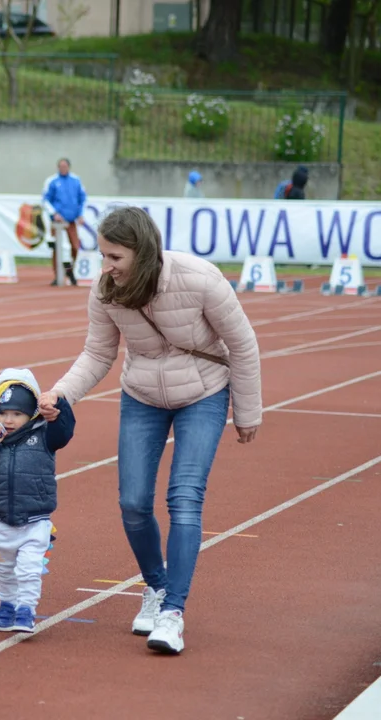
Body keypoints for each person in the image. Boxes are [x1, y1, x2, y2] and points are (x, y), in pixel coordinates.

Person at [37, 206, 261, 655]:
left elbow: (242, 343)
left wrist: (247, 413)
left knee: (184, 496)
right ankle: (156, 588)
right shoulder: (105, 291)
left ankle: (174, 612)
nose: (106, 267)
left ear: (143, 252)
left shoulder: (199, 278)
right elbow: (98, 354)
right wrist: (61, 394)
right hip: (141, 396)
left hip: (203, 393)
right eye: (103, 255)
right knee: (133, 501)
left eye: (115, 257)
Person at [0, 368, 75, 633]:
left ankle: (26, 610)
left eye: (17, 414)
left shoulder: (45, 437)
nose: (9, 420)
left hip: (34, 522)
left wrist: (59, 406)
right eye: (3, 413)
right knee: (2, 571)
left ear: (31, 415)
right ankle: (7, 605)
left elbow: (65, 431)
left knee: (28, 570)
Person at [42, 158, 87, 286]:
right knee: (58, 248)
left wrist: (81, 215)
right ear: (58, 167)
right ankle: (57, 275)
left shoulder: (76, 180)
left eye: (65, 166)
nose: (63, 168)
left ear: (69, 167)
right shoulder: (52, 181)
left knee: (75, 246)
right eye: (61, 166)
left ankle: (69, 270)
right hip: (57, 223)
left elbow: (82, 199)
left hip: (71, 220)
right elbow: (45, 200)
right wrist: (54, 213)